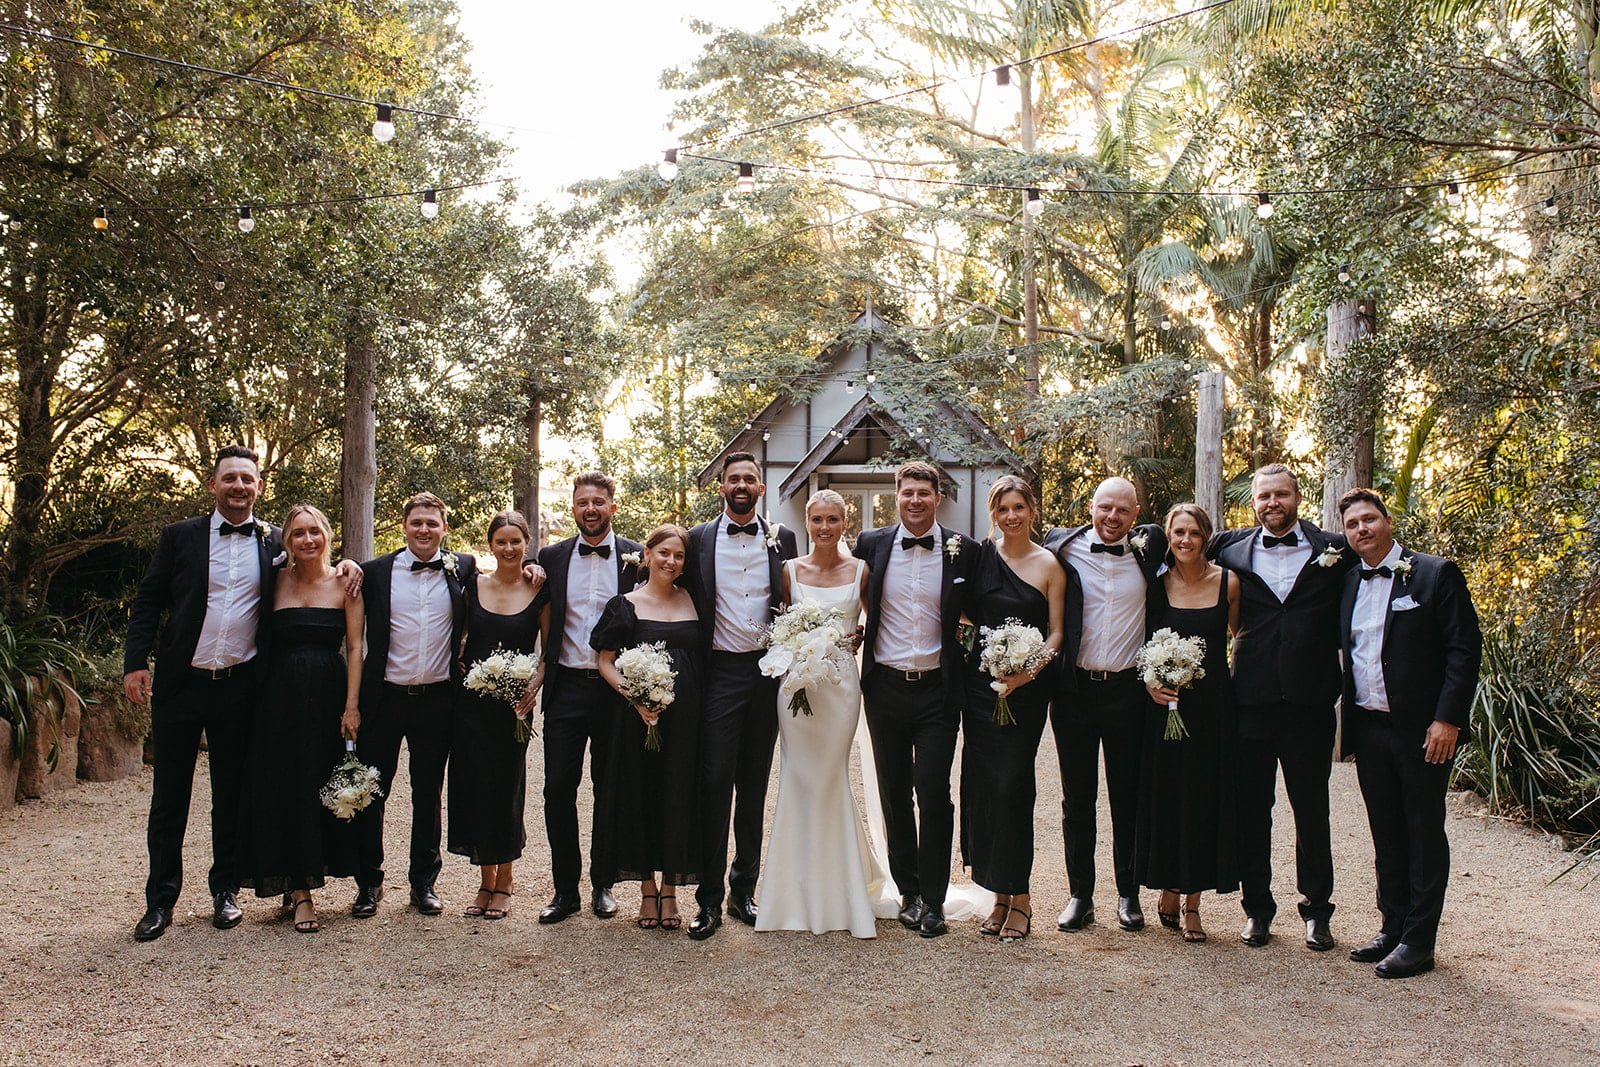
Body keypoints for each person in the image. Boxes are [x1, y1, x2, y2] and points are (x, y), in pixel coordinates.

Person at [123, 444, 361, 942]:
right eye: (229, 478)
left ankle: (225, 891)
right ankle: (160, 901)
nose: (238, 486)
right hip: (181, 685)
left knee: (231, 794)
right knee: (170, 797)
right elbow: (147, 600)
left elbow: (313, 560)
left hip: (239, 688)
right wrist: (135, 663)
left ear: (259, 487)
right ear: (213, 484)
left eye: (247, 479)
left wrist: (350, 564)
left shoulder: (273, 543)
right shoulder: (180, 536)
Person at [1209, 463, 1355, 950]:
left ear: (1297, 497)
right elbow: (1177, 550)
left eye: (1281, 494)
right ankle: (1257, 909)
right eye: (1264, 496)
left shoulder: (1336, 549)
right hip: (1249, 700)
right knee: (1253, 809)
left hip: (1310, 702)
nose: (1272, 503)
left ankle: (1317, 910)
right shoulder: (1229, 548)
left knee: (1312, 810)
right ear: (1253, 502)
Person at [1338, 488, 1481, 979]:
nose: (1362, 529)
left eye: (1369, 519)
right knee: (1386, 831)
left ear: (1388, 520)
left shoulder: (1434, 574)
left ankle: (1419, 940)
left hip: (1423, 731)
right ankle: (1392, 925)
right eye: (1353, 524)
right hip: (1368, 726)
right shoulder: (1348, 581)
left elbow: (1464, 650)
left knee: (1422, 831)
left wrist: (1448, 720)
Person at [854, 460, 975, 938]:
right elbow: (851, 593)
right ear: (896, 496)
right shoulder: (872, 543)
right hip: (884, 686)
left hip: (937, 689)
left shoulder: (963, 549)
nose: (916, 500)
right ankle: (909, 892)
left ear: (937, 498)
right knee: (895, 792)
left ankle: (935, 898)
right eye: (908, 492)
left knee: (933, 790)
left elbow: (980, 608)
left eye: (924, 493)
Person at [1042, 476, 1167, 934]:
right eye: (1105, 508)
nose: (1112, 517)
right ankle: (1080, 895)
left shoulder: (1151, 549)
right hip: (1074, 691)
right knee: (1077, 797)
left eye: (1123, 510)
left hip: (1129, 692)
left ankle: (1128, 894)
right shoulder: (1061, 546)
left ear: (1136, 515)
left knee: (1127, 795)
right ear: (1091, 507)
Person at [756, 490, 883, 939]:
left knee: (830, 778)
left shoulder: (862, 571)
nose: (825, 527)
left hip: (840, 688)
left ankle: (842, 891)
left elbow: (877, 623)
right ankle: (790, 895)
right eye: (817, 520)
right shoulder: (789, 571)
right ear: (807, 524)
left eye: (833, 519)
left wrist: (857, 635)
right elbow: (778, 624)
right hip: (796, 687)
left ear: (844, 523)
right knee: (798, 778)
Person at [682, 452, 798, 940]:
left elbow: (795, 598)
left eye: (750, 478)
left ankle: (742, 891)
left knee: (753, 787)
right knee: (713, 784)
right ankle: (707, 899)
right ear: (722, 487)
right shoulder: (697, 539)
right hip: (719, 674)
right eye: (734, 479)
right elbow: (657, 579)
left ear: (761, 488)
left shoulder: (783, 539)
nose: (742, 485)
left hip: (766, 675)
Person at [238, 504, 364, 933]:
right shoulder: (273, 581)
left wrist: (351, 705)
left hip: (329, 698)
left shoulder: (347, 582)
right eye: (297, 533)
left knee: (327, 786)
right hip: (279, 701)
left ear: (327, 535)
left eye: (314, 531)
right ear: (287, 541)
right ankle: (299, 890)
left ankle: (356, 875)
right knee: (286, 789)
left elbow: (355, 647)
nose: (307, 540)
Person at [351, 491, 477, 919]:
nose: (424, 530)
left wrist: (533, 566)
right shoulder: (374, 572)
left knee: (428, 793)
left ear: (445, 528)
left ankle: (423, 883)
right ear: (405, 526)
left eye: (432, 523)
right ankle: (368, 883)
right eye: (417, 522)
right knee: (373, 790)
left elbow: (505, 579)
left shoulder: (463, 568)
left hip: (437, 699)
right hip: (383, 698)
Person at [529, 472, 643, 924]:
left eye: (598, 501)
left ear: (612, 506)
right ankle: (564, 890)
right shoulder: (551, 557)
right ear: (573, 507)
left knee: (609, 787)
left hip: (615, 689)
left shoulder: (636, 556)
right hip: (567, 688)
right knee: (558, 787)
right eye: (582, 502)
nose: (590, 509)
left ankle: (603, 884)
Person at [959, 476, 1065, 942]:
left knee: (1013, 787)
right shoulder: (980, 557)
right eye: (1003, 509)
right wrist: (991, 649)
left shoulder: (1050, 565)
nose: (1011, 516)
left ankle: (1021, 898)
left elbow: (1057, 631)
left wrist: (1027, 670)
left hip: (1026, 692)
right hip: (981, 687)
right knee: (985, 786)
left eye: (1019, 507)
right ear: (993, 514)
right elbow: (959, 609)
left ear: (1032, 510)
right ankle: (998, 895)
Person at [1136, 504, 1241, 944]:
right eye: (1178, 532)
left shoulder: (1228, 582)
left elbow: (1241, 637)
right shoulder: (1156, 585)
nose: (1185, 540)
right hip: (1165, 705)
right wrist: (1149, 682)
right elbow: (1141, 641)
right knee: (1168, 795)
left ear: (1206, 537)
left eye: (1193, 532)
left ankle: (1193, 902)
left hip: (1212, 708)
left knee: (1202, 798)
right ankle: (1168, 886)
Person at [592, 525, 703, 931]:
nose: (670, 561)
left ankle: (671, 889)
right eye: (664, 553)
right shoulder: (625, 604)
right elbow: (604, 661)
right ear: (647, 554)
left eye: (679, 556)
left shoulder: (694, 599)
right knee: (640, 794)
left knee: (678, 794)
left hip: (686, 719)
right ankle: (646, 890)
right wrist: (636, 698)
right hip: (639, 719)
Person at [449, 510, 540, 920]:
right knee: (475, 787)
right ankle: (484, 880)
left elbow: (547, 651)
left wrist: (533, 689)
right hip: (472, 704)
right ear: (490, 546)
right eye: (501, 542)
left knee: (506, 788)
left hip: (514, 708)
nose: (508, 548)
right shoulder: (472, 585)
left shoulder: (539, 588)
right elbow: (458, 636)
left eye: (515, 541)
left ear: (526, 544)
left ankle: (505, 879)